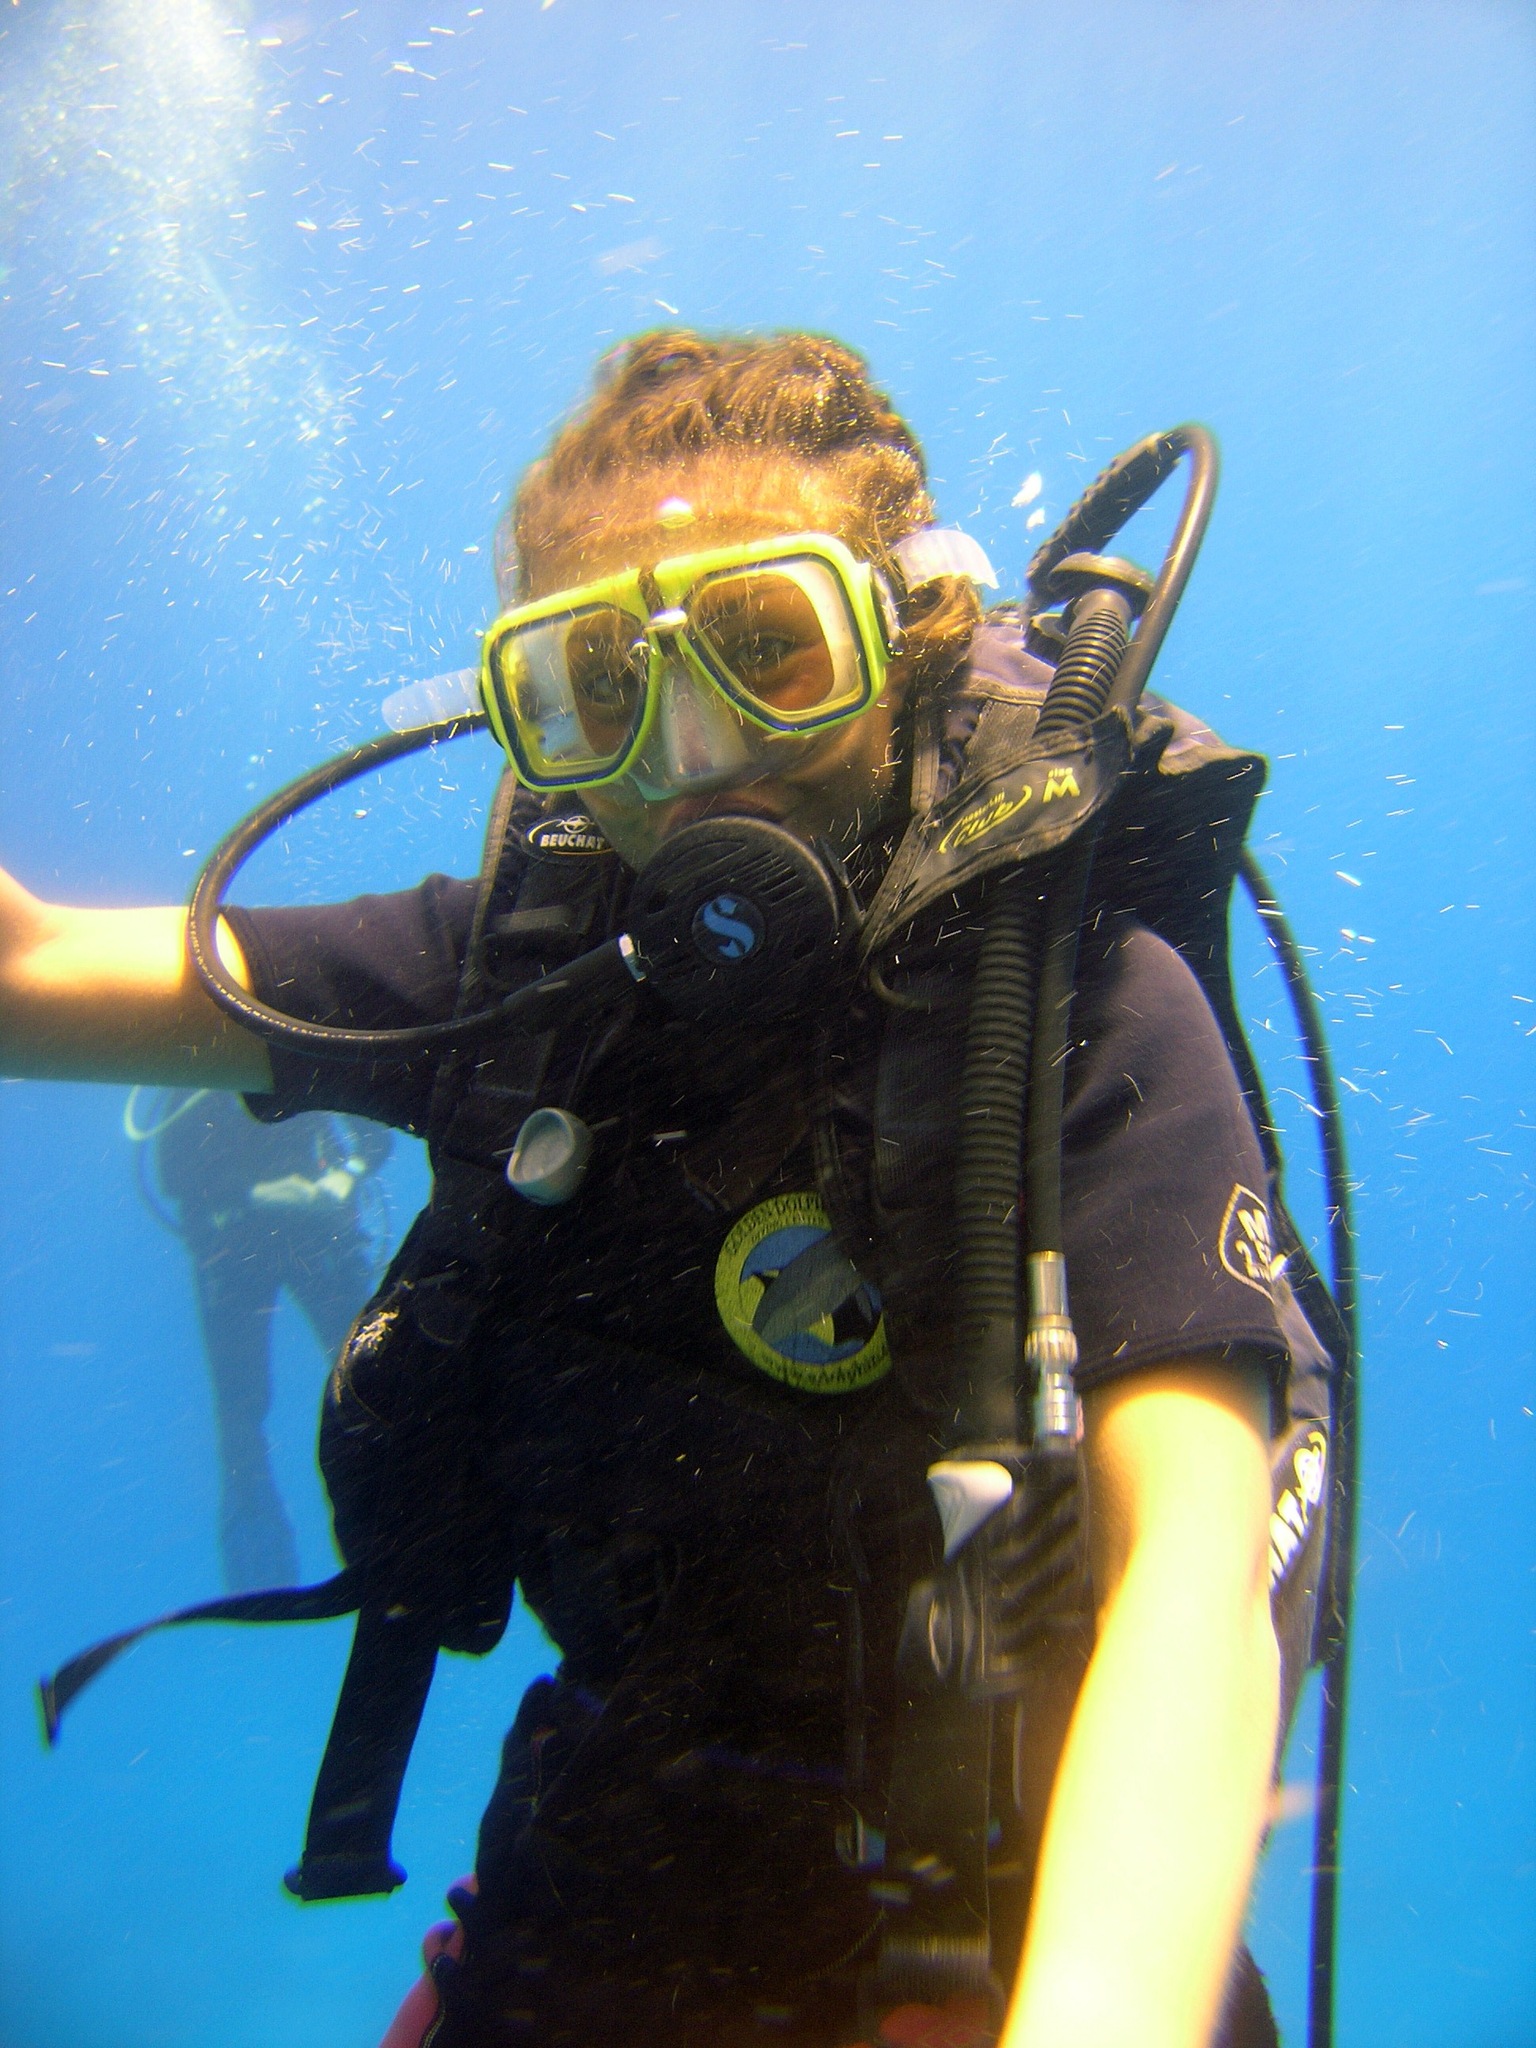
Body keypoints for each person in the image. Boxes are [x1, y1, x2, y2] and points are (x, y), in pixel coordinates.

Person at [0, 331, 1331, 2048]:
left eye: (769, 648)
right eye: (600, 686)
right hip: (618, 1853)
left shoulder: (1074, 1011)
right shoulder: (518, 982)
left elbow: (1193, 1579)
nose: (693, 753)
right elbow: (31, 973)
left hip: (1011, 1896)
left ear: (909, 641)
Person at [125, 1086, 391, 1590]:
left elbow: (375, 1134)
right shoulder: (200, 1079)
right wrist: (259, 1195)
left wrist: (344, 1176)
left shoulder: (304, 1047)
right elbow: (175, 1175)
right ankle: (262, 1558)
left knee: (373, 1376)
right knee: (244, 1405)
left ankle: (394, 1527)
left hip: (312, 1232)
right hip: (238, 1245)